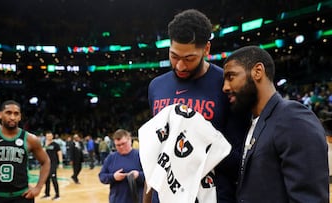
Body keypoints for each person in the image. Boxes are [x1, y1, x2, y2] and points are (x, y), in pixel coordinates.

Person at [146, 9, 249, 203]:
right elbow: (156, 152)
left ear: (206, 49)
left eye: (189, 58)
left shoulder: (227, 85)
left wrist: (197, 145)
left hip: (214, 195)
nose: (180, 66)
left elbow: (240, 158)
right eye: (174, 56)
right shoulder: (156, 87)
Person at [222, 45, 329, 202]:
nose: (225, 87)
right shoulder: (255, 122)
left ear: (257, 71)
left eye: (231, 76)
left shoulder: (293, 118)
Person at [0, 100, 50, 203]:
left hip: (21, 196)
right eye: (8, 113)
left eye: (16, 113)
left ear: (20, 117)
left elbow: (46, 161)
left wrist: (38, 188)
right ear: (0, 115)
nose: (12, 117)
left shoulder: (30, 139)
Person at [99, 129, 145, 203]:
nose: (121, 147)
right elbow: (102, 176)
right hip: (117, 200)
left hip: (138, 199)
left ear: (130, 140)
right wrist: (113, 177)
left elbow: (151, 178)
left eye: (124, 143)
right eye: (118, 145)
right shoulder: (111, 158)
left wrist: (138, 175)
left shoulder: (141, 156)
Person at [41, 131, 63, 200]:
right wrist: (46, 145)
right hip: (46, 164)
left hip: (53, 164)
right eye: (47, 136)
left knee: (53, 179)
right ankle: (47, 194)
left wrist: (61, 163)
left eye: (50, 136)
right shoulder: (45, 144)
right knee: (46, 180)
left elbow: (59, 153)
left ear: (52, 136)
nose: (48, 137)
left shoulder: (56, 144)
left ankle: (57, 195)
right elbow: (43, 152)